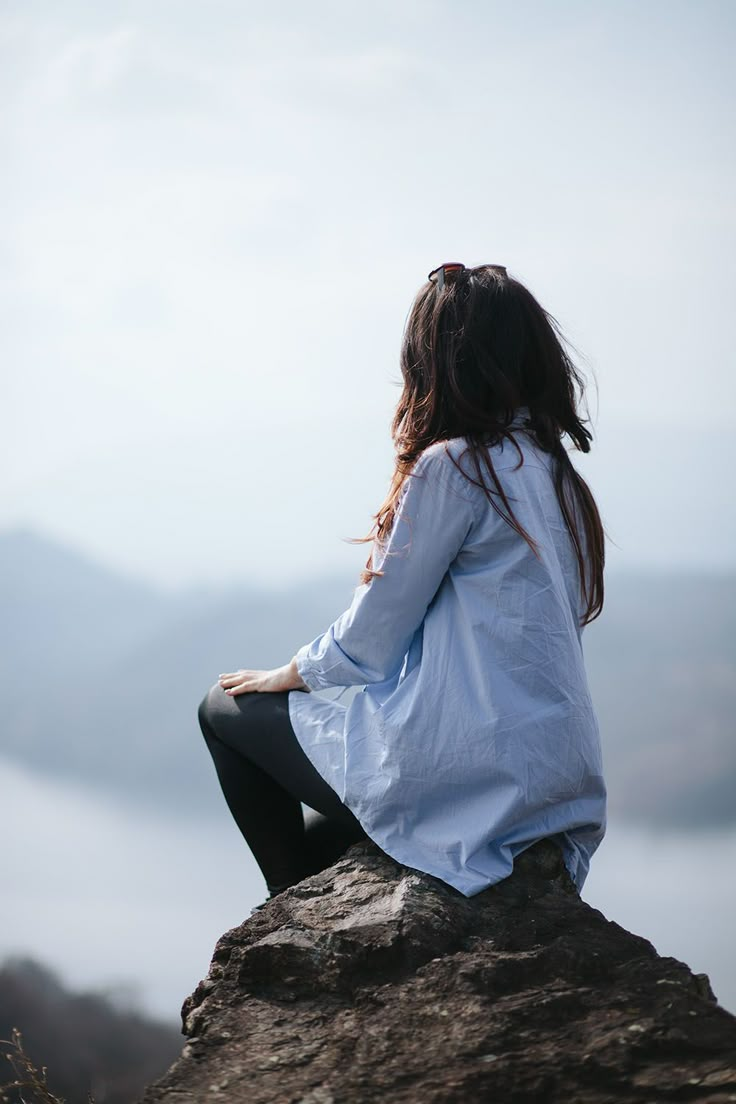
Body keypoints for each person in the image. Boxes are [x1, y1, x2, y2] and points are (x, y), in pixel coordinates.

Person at [197, 261, 607, 911]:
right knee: (338, 828)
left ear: (437, 359)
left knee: (223, 710)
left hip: (467, 776)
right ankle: (309, 901)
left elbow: (374, 635)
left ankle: (290, 911)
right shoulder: (554, 472)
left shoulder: (458, 466)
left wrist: (292, 673)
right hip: (553, 784)